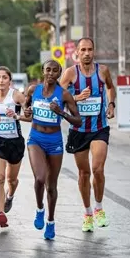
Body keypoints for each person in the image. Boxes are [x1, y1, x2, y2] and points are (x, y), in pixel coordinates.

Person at [60, 37, 116, 232]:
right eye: (83, 49)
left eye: (90, 49)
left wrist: (110, 104)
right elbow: (58, 96)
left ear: (94, 51)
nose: (86, 53)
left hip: (99, 127)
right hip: (78, 130)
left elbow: (110, 87)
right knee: (84, 173)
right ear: (77, 52)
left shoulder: (103, 71)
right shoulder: (70, 73)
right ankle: (87, 213)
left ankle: (99, 208)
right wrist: (76, 98)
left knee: (98, 169)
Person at [23, 60, 82, 240]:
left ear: (59, 74)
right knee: (40, 178)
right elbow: (26, 106)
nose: (50, 73)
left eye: (54, 71)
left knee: (52, 186)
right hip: (36, 138)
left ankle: (50, 220)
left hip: (54, 140)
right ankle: (40, 208)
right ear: (43, 71)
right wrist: (26, 111)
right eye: (47, 70)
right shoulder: (34, 90)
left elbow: (77, 120)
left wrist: (61, 113)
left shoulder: (64, 95)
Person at [0, 66, 29, 227]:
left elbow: (30, 116)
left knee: (11, 180)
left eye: (5, 77)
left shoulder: (16, 96)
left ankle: (9, 196)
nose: (1, 80)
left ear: (9, 81)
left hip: (15, 142)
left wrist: (17, 116)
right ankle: (1, 213)